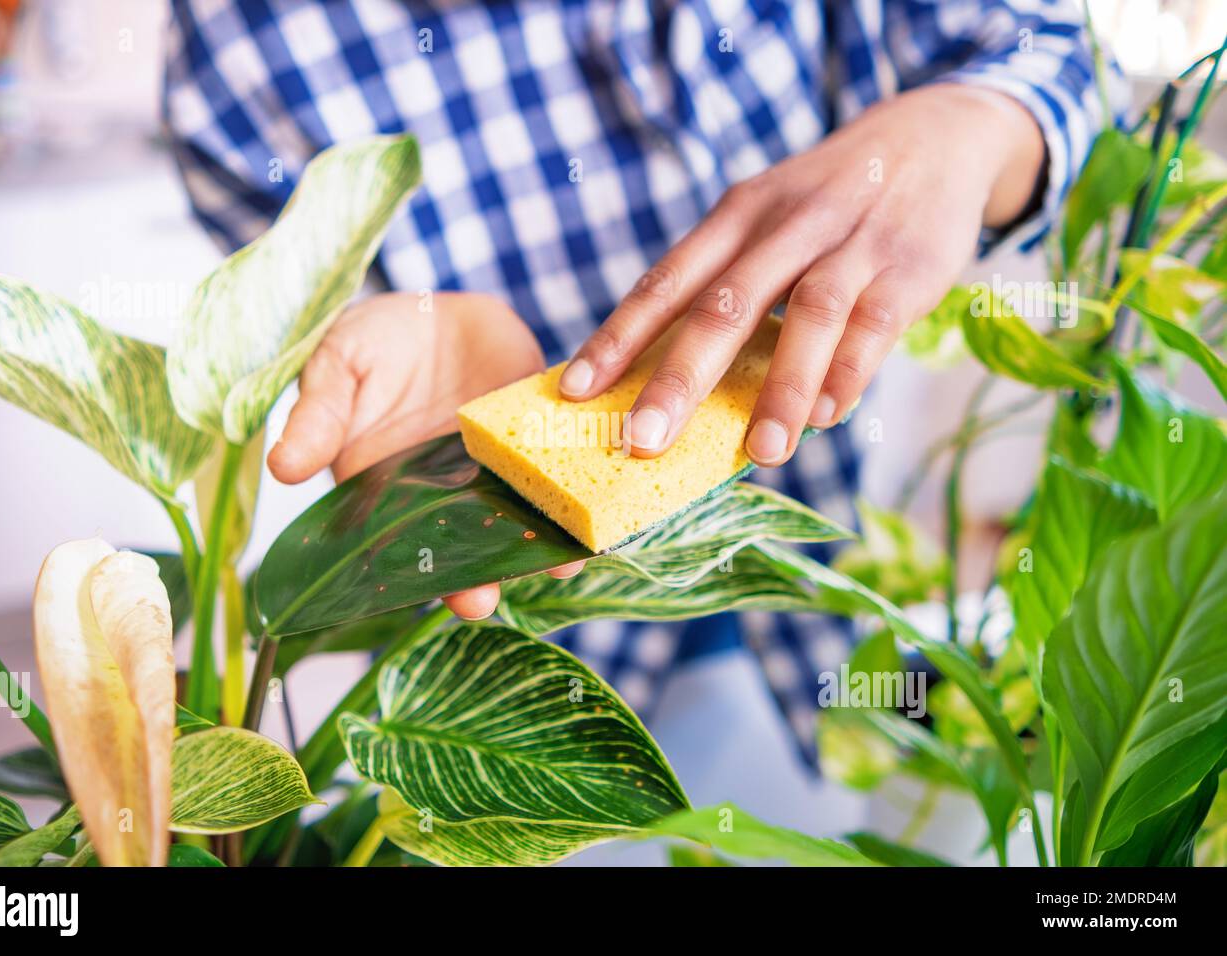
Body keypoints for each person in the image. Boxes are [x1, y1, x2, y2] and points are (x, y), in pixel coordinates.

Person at [164, 0, 1121, 764]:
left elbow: (1055, 44)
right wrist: (386, 332)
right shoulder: (232, 52)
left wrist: (968, 125)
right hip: (547, 636)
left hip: (867, 580)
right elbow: (318, 321)